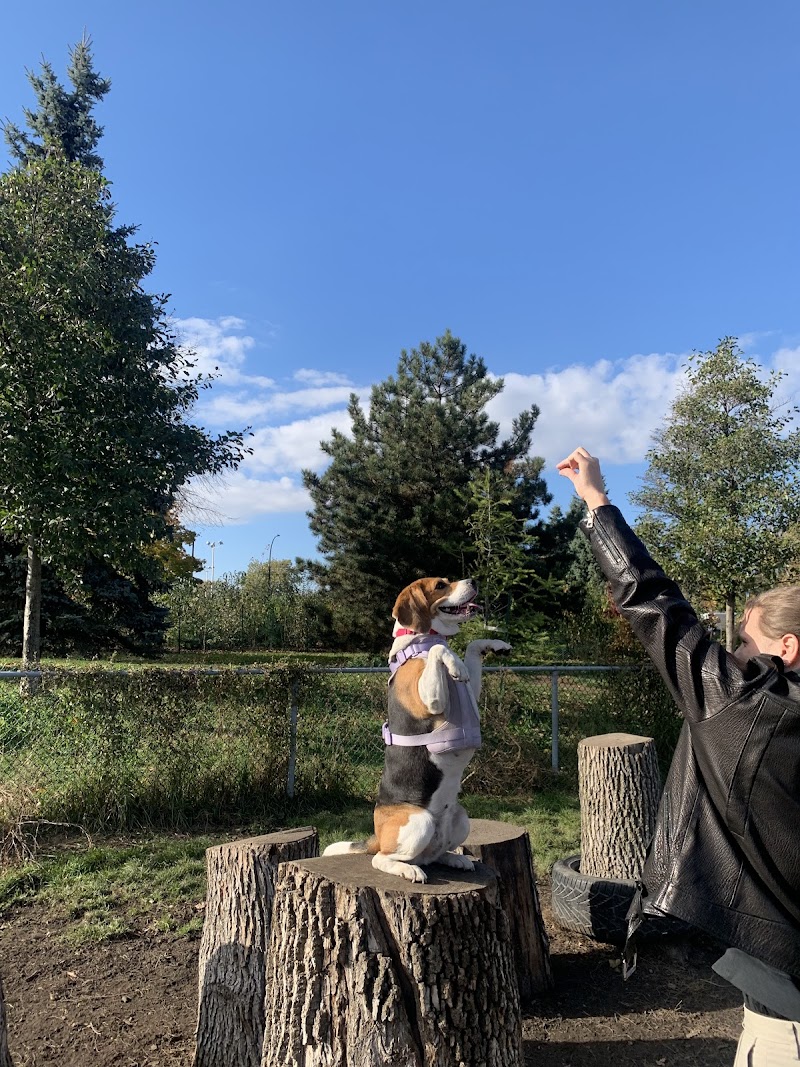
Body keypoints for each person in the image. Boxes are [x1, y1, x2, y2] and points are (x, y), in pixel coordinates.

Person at [557, 446, 800, 1066]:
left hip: (787, 1012)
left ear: (788, 648)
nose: (735, 652)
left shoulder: (750, 707)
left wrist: (595, 500)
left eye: (746, 642)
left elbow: (654, 603)